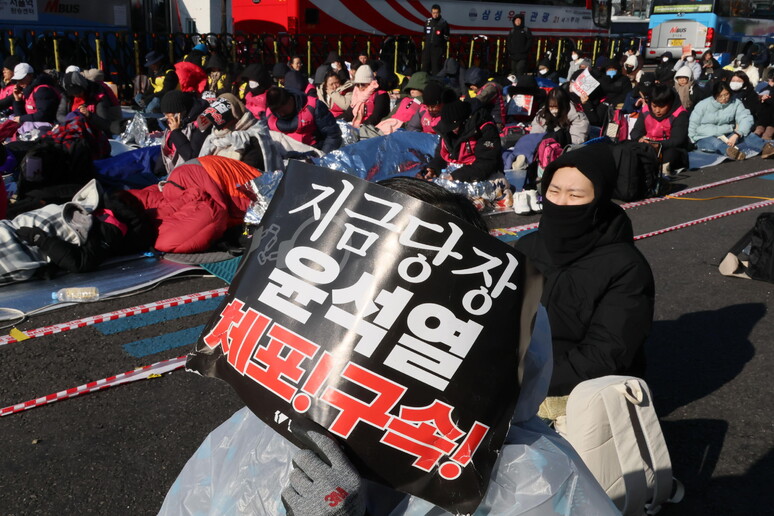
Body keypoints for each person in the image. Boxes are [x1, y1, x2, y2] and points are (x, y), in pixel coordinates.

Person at [516, 143, 655, 404]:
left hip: (581, 388)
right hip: (521, 371)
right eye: (554, 191)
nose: (560, 202)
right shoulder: (528, 246)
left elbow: (605, 354)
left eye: (575, 196)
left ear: (599, 200)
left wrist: (529, 380)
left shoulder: (626, 267)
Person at [688, 81, 774, 160]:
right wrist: (692, 140)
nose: (724, 98)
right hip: (705, 136)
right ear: (714, 95)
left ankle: (766, 148)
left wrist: (737, 134)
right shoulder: (703, 105)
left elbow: (745, 117)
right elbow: (693, 123)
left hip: (727, 134)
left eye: (726, 94)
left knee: (747, 134)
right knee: (715, 143)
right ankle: (730, 151)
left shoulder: (735, 103)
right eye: (720, 96)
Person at [423, 99, 502, 182]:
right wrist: (433, 169)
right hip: (454, 176)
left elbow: (486, 163)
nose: (452, 130)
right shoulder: (448, 132)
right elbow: (441, 156)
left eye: (454, 127)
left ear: (464, 121)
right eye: (450, 128)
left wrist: (456, 176)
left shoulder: (484, 130)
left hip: (484, 177)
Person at [630, 84, 691, 174]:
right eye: (654, 106)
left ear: (670, 103)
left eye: (662, 107)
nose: (657, 110)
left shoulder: (680, 114)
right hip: (648, 146)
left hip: (669, 148)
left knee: (671, 155)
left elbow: (678, 140)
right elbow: (635, 132)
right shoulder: (646, 110)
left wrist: (658, 145)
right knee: (628, 149)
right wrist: (640, 139)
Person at [265, 85, 342, 153]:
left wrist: (323, 158)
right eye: (277, 112)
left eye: (283, 110)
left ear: (290, 100)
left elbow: (332, 135)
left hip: (314, 154)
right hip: (284, 157)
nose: (281, 114)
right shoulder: (269, 115)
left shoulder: (313, 107)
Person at [56, 71, 122, 139]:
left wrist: (89, 115)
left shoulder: (98, 95)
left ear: (83, 87)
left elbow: (105, 124)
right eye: (73, 93)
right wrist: (73, 120)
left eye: (78, 92)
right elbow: (60, 115)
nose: (76, 95)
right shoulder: (67, 96)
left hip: (95, 136)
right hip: (74, 133)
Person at [159, 89, 211, 174]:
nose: (165, 117)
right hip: (170, 166)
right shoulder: (180, 122)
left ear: (179, 113)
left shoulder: (200, 124)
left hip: (187, 171)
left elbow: (191, 157)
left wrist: (176, 132)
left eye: (168, 114)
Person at [421, 4, 449, 75]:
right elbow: (424, 34)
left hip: (437, 50)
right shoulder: (428, 22)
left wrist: (441, 48)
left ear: (439, 13)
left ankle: (435, 84)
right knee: (424, 68)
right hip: (427, 49)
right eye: (433, 13)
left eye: (436, 13)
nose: (435, 15)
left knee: (435, 69)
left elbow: (446, 37)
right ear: (431, 12)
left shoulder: (443, 23)